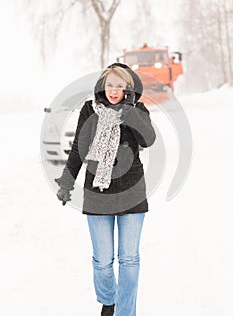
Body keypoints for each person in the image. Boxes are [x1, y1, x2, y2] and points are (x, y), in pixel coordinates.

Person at [55, 63, 156, 316]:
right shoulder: (90, 109)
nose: (114, 90)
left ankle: (125, 312)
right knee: (103, 261)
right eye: (110, 84)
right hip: (98, 193)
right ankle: (108, 299)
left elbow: (148, 140)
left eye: (120, 86)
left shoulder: (138, 109)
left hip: (132, 191)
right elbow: (79, 147)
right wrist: (67, 181)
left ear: (128, 88)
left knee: (129, 259)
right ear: (103, 85)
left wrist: (131, 115)